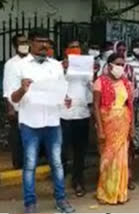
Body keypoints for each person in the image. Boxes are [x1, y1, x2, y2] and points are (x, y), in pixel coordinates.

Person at [7, 28, 74, 213]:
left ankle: (61, 200)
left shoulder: (55, 65)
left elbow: (61, 92)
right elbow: (12, 98)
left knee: (57, 163)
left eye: (47, 41)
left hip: (53, 122)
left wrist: (66, 100)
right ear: (30, 42)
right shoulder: (18, 66)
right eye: (39, 41)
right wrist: (22, 90)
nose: (44, 45)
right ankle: (30, 203)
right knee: (29, 164)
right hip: (30, 122)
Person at [94, 53, 134, 205]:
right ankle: (105, 193)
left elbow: (129, 105)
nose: (120, 67)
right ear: (109, 65)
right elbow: (96, 107)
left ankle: (120, 193)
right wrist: (100, 129)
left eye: (122, 64)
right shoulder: (100, 82)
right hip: (107, 123)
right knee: (108, 159)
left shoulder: (126, 82)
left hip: (123, 122)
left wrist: (131, 127)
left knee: (122, 158)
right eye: (117, 64)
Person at [61, 39, 93, 197]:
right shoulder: (57, 67)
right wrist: (64, 69)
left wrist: (92, 72)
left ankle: (78, 181)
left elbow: (93, 88)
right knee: (62, 150)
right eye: (72, 47)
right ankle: (60, 182)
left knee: (80, 151)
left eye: (77, 47)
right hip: (64, 114)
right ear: (66, 50)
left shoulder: (86, 66)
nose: (75, 49)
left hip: (82, 114)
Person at [2, 33, 29, 169]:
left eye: (26, 42)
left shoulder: (33, 61)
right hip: (17, 107)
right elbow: (7, 87)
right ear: (15, 46)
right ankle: (18, 163)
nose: (24, 45)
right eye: (21, 43)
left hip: (32, 106)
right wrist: (10, 108)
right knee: (17, 136)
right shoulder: (11, 64)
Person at [114, 40, 137, 190]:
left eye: (124, 50)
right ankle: (112, 177)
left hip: (127, 113)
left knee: (128, 148)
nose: (122, 52)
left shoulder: (130, 69)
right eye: (119, 49)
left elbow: (134, 90)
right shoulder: (106, 70)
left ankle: (127, 177)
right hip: (110, 116)